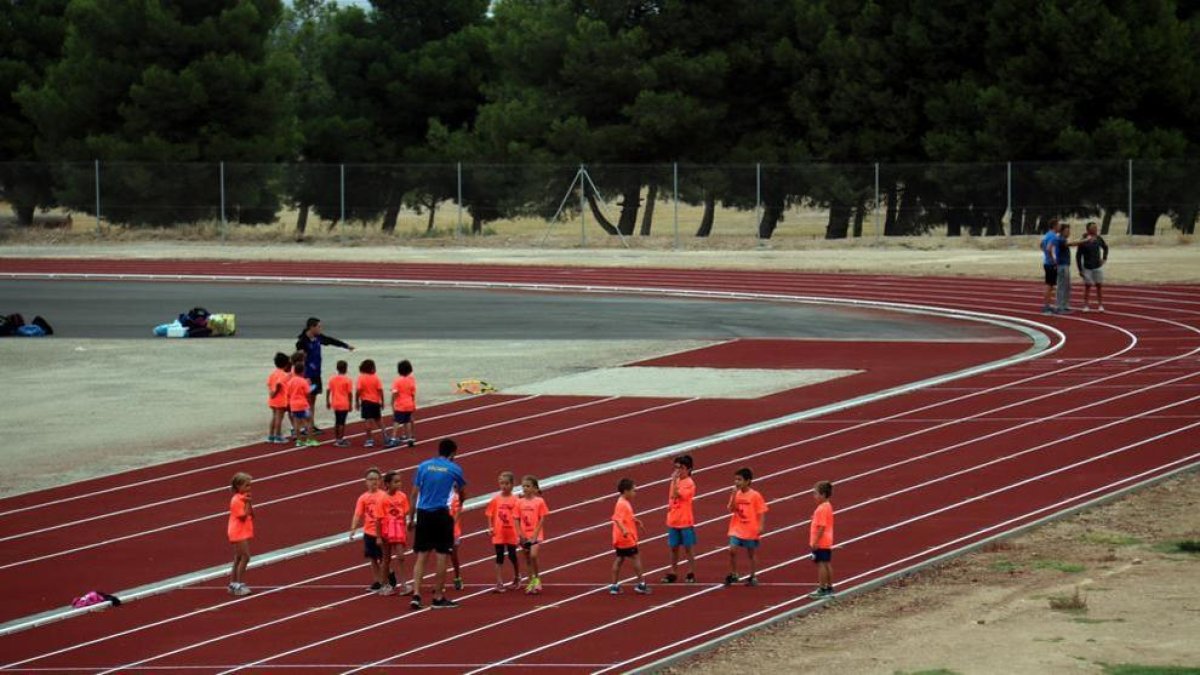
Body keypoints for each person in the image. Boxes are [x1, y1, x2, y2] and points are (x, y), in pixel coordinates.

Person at [409, 438, 467, 610]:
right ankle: (438, 596)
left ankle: (416, 594)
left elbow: (413, 494)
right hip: (441, 513)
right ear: (453, 453)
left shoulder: (423, 466)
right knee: (442, 555)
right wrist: (460, 504)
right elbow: (463, 493)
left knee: (422, 556)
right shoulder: (454, 468)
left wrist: (411, 518)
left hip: (423, 513)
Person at [295, 317, 354, 432]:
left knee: (312, 400)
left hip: (316, 374)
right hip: (307, 376)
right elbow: (299, 361)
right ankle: (301, 426)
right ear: (312, 327)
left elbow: (331, 341)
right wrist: (302, 377)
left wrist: (346, 346)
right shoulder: (302, 342)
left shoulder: (318, 338)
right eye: (319, 326)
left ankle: (310, 424)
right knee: (305, 401)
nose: (320, 329)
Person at [725, 467, 769, 587]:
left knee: (751, 553)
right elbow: (731, 509)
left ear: (748, 481)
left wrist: (761, 526)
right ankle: (734, 574)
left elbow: (762, 511)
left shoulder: (755, 495)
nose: (736, 482)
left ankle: (753, 575)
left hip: (750, 529)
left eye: (739, 480)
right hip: (737, 527)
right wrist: (734, 495)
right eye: (735, 479)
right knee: (732, 550)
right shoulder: (736, 494)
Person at [610, 478, 650, 596]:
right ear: (626, 491)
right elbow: (617, 519)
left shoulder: (623, 502)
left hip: (620, 537)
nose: (635, 493)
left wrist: (635, 521)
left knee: (620, 559)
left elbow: (626, 517)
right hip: (625, 538)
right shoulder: (622, 504)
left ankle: (614, 586)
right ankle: (641, 584)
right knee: (635, 557)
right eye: (633, 490)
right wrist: (625, 531)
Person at [348, 468, 386, 591]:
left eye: (375, 479)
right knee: (372, 558)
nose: (373, 482)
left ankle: (387, 577)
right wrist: (353, 528)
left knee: (383, 558)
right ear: (366, 482)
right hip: (369, 532)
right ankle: (377, 581)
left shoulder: (383, 496)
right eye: (370, 479)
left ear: (380, 481)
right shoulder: (363, 498)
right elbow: (357, 514)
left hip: (381, 531)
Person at [375, 470, 412, 596]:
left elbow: (404, 514)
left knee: (401, 556)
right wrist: (378, 536)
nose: (399, 484)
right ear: (387, 484)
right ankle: (385, 585)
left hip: (399, 529)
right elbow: (378, 519)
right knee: (386, 558)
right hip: (387, 530)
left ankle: (404, 585)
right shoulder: (382, 499)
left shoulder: (402, 496)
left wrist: (405, 528)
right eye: (396, 482)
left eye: (399, 481)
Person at [662, 454, 697, 584]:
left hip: (685, 520)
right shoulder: (674, 481)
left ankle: (691, 571)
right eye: (676, 467)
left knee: (688, 547)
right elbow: (672, 497)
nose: (678, 470)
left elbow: (678, 494)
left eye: (681, 468)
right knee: (673, 547)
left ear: (688, 469)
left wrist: (675, 481)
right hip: (673, 519)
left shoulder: (689, 483)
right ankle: (673, 571)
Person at [485, 471, 521, 593]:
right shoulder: (496, 499)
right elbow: (489, 514)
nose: (504, 486)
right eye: (501, 483)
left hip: (511, 532)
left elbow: (518, 516)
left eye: (506, 483)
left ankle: (517, 576)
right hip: (499, 532)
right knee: (499, 556)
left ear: (512, 485)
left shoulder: (516, 499)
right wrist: (490, 527)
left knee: (512, 555)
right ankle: (499, 582)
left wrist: (520, 531)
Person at [518, 475, 549, 595]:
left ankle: (537, 578)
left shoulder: (539, 501)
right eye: (523, 486)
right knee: (527, 559)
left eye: (528, 486)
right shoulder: (519, 502)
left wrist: (535, 535)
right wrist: (520, 534)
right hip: (524, 534)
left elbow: (542, 519)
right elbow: (516, 518)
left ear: (534, 488)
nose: (525, 488)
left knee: (533, 555)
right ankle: (530, 581)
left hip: (535, 534)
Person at [808, 480, 836, 599]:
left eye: (816, 494)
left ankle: (822, 588)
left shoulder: (821, 509)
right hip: (827, 540)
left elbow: (821, 527)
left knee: (821, 565)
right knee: (827, 563)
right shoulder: (827, 506)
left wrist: (815, 541)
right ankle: (829, 587)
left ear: (823, 495)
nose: (814, 496)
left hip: (821, 541)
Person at [227, 472, 254, 596]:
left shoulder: (243, 498)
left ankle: (233, 583)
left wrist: (249, 502)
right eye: (246, 486)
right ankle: (239, 584)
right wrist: (248, 503)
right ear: (238, 487)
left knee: (238, 557)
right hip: (237, 532)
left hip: (241, 531)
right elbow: (243, 517)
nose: (249, 488)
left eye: (250, 485)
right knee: (245, 557)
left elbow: (252, 514)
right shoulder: (236, 500)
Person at [1076, 221, 1109, 312]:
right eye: (1093, 227)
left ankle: (1100, 305)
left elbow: (1105, 247)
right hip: (1087, 267)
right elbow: (1078, 255)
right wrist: (1080, 269)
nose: (1095, 229)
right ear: (1088, 229)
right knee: (1087, 286)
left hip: (1097, 266)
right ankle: (1086, 305)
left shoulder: (1098, 238)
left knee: (1099, 285)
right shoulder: (1083, 240)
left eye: (1096, 227)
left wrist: (1104, 258)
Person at [355, 360, 385, 448]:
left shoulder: (361, 378)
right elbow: (380, 390)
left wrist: (356, 401)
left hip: (366, 402)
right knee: (379, 421)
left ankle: (369, 440)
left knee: (368, 421)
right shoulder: (376, 378)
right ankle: (385, 437)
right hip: (375, 402)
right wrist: (382, 401)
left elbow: (358, 391)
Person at [287, 362, 318, 447]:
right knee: (308, 421)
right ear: (302, 371)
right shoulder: (303, 381)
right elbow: (307, 393)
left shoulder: (290, 381)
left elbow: (288, 393)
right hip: (302, 404)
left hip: (293, 405)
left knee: (296, 423)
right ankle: (310, 439)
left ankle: (299, 441)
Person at [388, 360, 417, 448]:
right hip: (409, 403)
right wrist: (413, 403)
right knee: (407, 421)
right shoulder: (411, 380)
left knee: (396, 421)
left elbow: (395, 393)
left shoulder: (397, 381)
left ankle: (393, 438)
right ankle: (410, 438)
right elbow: (413, 393)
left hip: (400, 404)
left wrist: (392, 402)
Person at [326, 360, 354, 448]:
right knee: (342, 422)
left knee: (337, 421)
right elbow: (349, 393)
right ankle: (340, 440)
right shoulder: (348, 380)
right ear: (345, 368)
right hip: (344, 403)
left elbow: (328, 390)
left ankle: (337, 438)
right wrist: (350, 403)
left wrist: (327, 401)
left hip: (335, 402)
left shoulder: (332, 379)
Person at [266, 352, 291, 444]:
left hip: (272, 399)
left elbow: (269, 384)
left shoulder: (273, 374)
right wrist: (275, 393)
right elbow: (279, 384)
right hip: (279, 399)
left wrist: (271, 394)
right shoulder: (283, 374)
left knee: (274, 417)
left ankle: (271, 435)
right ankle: (278, 435)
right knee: (279, 418)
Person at [1039, 218, 1061, 315]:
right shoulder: (1054, 236)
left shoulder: (1047, 235)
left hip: (1046, 262)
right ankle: (1047, 306)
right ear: (1055, 226)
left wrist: (1046, 254)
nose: (1059, 227)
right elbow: (1048, 248)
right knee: (1049, 285)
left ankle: (1048, 305)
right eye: (1058, 225)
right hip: (1050, 264)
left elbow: (1041, 245)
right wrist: (1053, 260)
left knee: (1050, 285)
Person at [1055, 223, 1074, 314]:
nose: (1068, 232)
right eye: (1067, 231)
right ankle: (1059, 306)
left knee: (1067, 286)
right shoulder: (1060, 240)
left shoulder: (1063, 239)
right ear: (1062, 231)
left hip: (1065, 265)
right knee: (1062, 286)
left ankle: (1065, 305)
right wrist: (1085, 241)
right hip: (1062, 266)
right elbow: (1071, 244)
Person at [448, 489, 464, 591]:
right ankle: (440, 581)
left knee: (453, 555)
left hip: (453, 530)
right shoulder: (439, 495)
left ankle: (457, 577)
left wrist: (450, 524)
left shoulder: (456, 497)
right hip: (440, 529)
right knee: (441, 555)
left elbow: (457, 513)